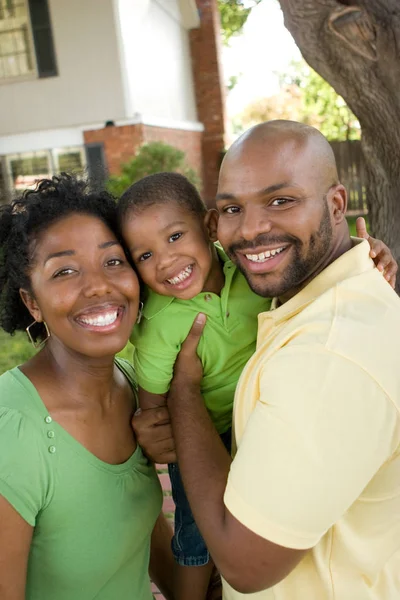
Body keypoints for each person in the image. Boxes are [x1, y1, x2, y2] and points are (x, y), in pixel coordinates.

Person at [133, 121, 400, 600]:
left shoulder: (326, 355)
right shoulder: (312, 298)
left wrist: (184, 392)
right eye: (233, 208)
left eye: (281, 201)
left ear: (336, 205)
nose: (252, 229)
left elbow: (245, 565)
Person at [0, 175, 174, 600]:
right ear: (32, 302)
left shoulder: (134, 389)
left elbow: (146, 545)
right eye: (64, 271)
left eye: (114, 261)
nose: (98, 285)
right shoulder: (13, 431)